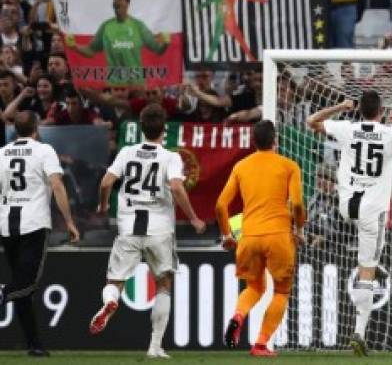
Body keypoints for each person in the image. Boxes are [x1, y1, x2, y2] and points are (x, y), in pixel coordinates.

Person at [306, 91, 392, 356]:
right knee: (366, 268)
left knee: (371, 256)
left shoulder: (347, 128)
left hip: (346, 206)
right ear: (381, 110)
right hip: (372, 210)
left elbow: (312, 121)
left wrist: (340, 106)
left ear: (359, 110)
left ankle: (373, 265)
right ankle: (359, 331)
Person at [90, 104, 205, 358]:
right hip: (159, 229)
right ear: (164, 130)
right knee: (163, 284)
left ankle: (111, 301)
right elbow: (176, 187)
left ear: (141, 128)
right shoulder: (170, 157)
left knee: (115, 282)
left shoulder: (127, 152)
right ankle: (155, 346)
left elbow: (106, 181)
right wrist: (194, 217)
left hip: (129, 227)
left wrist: (103, 204)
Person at [216, 120, 305, 357]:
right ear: (275, 140)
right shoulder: (289, 166)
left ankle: (238, 316)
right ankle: (261, 344)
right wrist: (300, 229)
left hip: (250, 236)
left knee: (254, 287)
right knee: (282, 291)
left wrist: (226, 235)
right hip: (279, 236)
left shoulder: (241, 166)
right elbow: (297, 204)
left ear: (254, 142)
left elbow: (221, 205)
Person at [0, 111, 79, 356]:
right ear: (36, 128)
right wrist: (69, 221)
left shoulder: (1, 153)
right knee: (27, 282)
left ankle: (34, 344)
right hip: (33, 223)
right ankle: (3, 294)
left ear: (15, 129)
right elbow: (57, 185)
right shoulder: (44, 151)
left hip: (6, 225)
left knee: (25, 290)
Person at [64, 0, 169, 87]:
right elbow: (91, 50)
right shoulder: (106, 26)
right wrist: (74, 46)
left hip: (137, 84)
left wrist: (166, 43)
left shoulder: (138, 26)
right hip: (114, 85)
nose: (116, 1)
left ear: (127, 3)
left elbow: (158, 50)